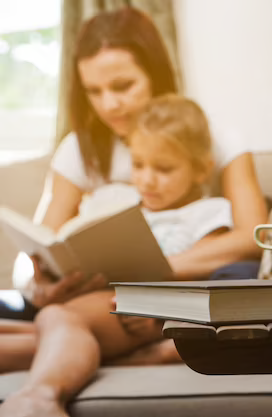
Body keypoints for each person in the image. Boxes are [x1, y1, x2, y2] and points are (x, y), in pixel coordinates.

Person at [0, 8, 266, 322]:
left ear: (156, 76)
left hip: (182, 278)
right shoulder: (77, 149)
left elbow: (254, 235)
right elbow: (38, 246)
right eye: (94, 91)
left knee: (239, 278)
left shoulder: (217, 138)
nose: (109, 105)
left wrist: (154, 272)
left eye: (123, 86)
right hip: (95, 294)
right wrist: (35, 286)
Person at [0, 94, 242, 417]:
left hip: (132, 314)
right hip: (97, 309)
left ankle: (41, 397)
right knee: (21, 336)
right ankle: (116, 355)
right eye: (138, 165)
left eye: (164, 168)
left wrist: (161, 316)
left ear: (201, 171)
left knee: (56, 318)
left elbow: (205, 278)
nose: (147, 179)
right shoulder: (124, 206)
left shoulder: (208, 214)